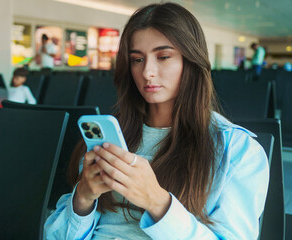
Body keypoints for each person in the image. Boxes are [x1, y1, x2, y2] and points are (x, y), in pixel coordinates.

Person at [44, 2, 269, 240]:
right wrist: (83, 198)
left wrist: (156, 201)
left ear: (191, 61)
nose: (147, 72)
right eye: (137, 59)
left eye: (163, 57)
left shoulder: (237, 151)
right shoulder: (113, 136)